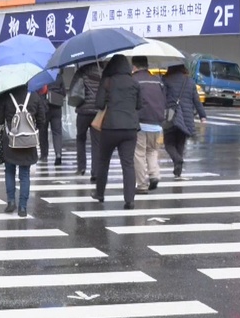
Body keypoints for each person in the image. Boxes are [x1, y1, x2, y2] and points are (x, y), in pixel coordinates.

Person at [92, 54, 141, 210]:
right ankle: (129, 199)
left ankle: (100, 193)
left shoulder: (107, 81)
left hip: (110, 127)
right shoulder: (134, 83)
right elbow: (139, 105)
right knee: (128, 164)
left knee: (103, 161)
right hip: (130, 128)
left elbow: (99, 104)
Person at [0, 84, 44, 217]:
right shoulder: (34, 96)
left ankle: (11, 201)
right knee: (25, 174)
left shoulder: (6, 96)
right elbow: (42, 120)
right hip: (28, 142)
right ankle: (23, 207)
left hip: (10, 140)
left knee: (9, 171)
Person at [162, 64, 206, 179]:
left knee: (169, 143)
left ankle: (177, 159)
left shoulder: (166, 80)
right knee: (180, 143)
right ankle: (178, 172)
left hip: (171, 115)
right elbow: (196, 100)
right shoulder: (189, 81)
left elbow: (162, 98)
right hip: (186, 117)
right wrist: (202, 115)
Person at [131, 56, 166, 193]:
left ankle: (141, 185)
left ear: (134, 66)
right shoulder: (157, 80)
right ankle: (154, 175)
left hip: (140, 122)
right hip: (156, 123)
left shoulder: (133, 80)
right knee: (152, 150)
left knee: (139, 153)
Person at [67, 61, 102, 180]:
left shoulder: (81, 71)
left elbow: (73, 89)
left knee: (81, 139)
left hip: (83, 111)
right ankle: (95, 172)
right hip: (97, 112)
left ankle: (81, 167)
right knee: (96, 142)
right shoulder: (102, 72)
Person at [39, 72, 65, 165]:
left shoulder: (42, 76)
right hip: (56, 107)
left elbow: (38, 92)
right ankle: (58, 153)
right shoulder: (58, 76)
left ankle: (44, 155)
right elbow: (63, 92)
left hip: (44, 107)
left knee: (43, 132)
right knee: (57, 132)